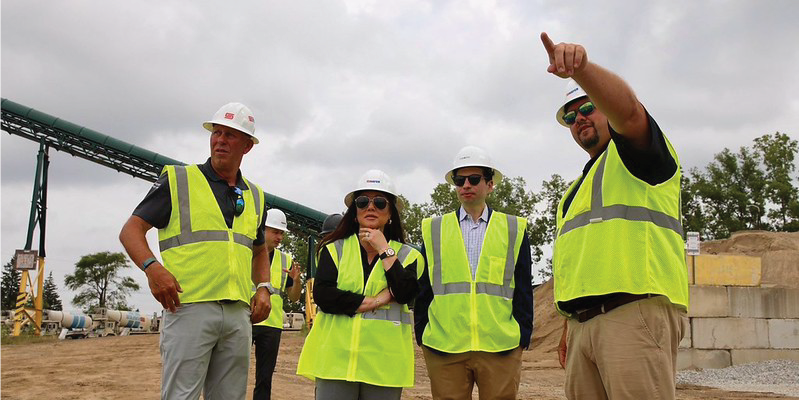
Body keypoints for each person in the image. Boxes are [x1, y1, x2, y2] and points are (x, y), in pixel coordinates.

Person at [540, 32, 689, 399]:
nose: (579, 119)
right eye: (571, 116)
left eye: (588, 107)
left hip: (633, 314)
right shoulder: (574, 192)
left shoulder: (638, 156)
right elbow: (582, 262)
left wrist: (582, 70)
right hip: (583, 325)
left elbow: (631, 111)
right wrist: (569, 326)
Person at [119, 102, 272, 400]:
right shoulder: (178, 181)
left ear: (247, 146)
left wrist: (264, 287)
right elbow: (131, 231)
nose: (220, 140)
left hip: (238, 312)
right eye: (217, 133)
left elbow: (259, 250)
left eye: (230, 135)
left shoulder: (255, 195)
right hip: (189, 307)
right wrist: (152, 267)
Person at [414, 146, 533, 400]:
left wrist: (523, 335)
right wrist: (422, 332)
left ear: (490, 185)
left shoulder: (513, 228)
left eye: (474, 179)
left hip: (500, 346)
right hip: (444, 347)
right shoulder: (434, 229)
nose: (466, 185)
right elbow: (424, 288)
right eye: (460, 180)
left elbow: (523, 287)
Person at [296, 169, 422, 400]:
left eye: (380, 202)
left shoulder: (408, 255)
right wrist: (376, 300)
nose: (370, 207)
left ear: (391, 213)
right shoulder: (333, 249)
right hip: (335, 362)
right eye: (362, 202)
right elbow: (324, 296)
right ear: (354, 212)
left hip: (383, 366)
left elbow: (405, 292)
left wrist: (384, 249)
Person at [251, 208, 302, 400]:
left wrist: (296, 281)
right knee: (233, 371)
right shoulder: (246, 252)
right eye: (275, 231)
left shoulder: (285, 260)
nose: (279, 237)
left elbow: (294, 297)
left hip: (271, 326)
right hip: (246, 319)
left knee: (264, 378)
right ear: (262, 230)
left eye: (282, 233)